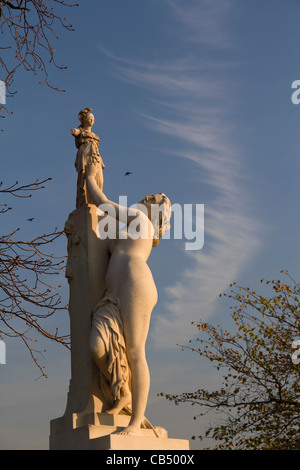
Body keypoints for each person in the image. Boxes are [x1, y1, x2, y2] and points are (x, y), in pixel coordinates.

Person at [85, 159, 171, 436]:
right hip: (113, 295)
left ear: (155, 211)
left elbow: (103, 203)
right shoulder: (124, 230)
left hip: (136, 284)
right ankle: (123, 391)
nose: (145, 197)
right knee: (97, 347)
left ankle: (135, 421)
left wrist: (88, 177)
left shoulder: (141, 221)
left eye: (153, 198)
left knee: (135, 351)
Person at [71, 108, 105, 207]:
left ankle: (97, 201)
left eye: (93, 118)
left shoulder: (95, 135)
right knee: (85, 178)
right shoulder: (80, 131)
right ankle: (84, 203)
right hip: (85, 155)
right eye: (89, 118)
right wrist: (75, 131)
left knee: (99, 180)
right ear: (84, 120)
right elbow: (75, 132)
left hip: (96, 157)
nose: (91, 120)